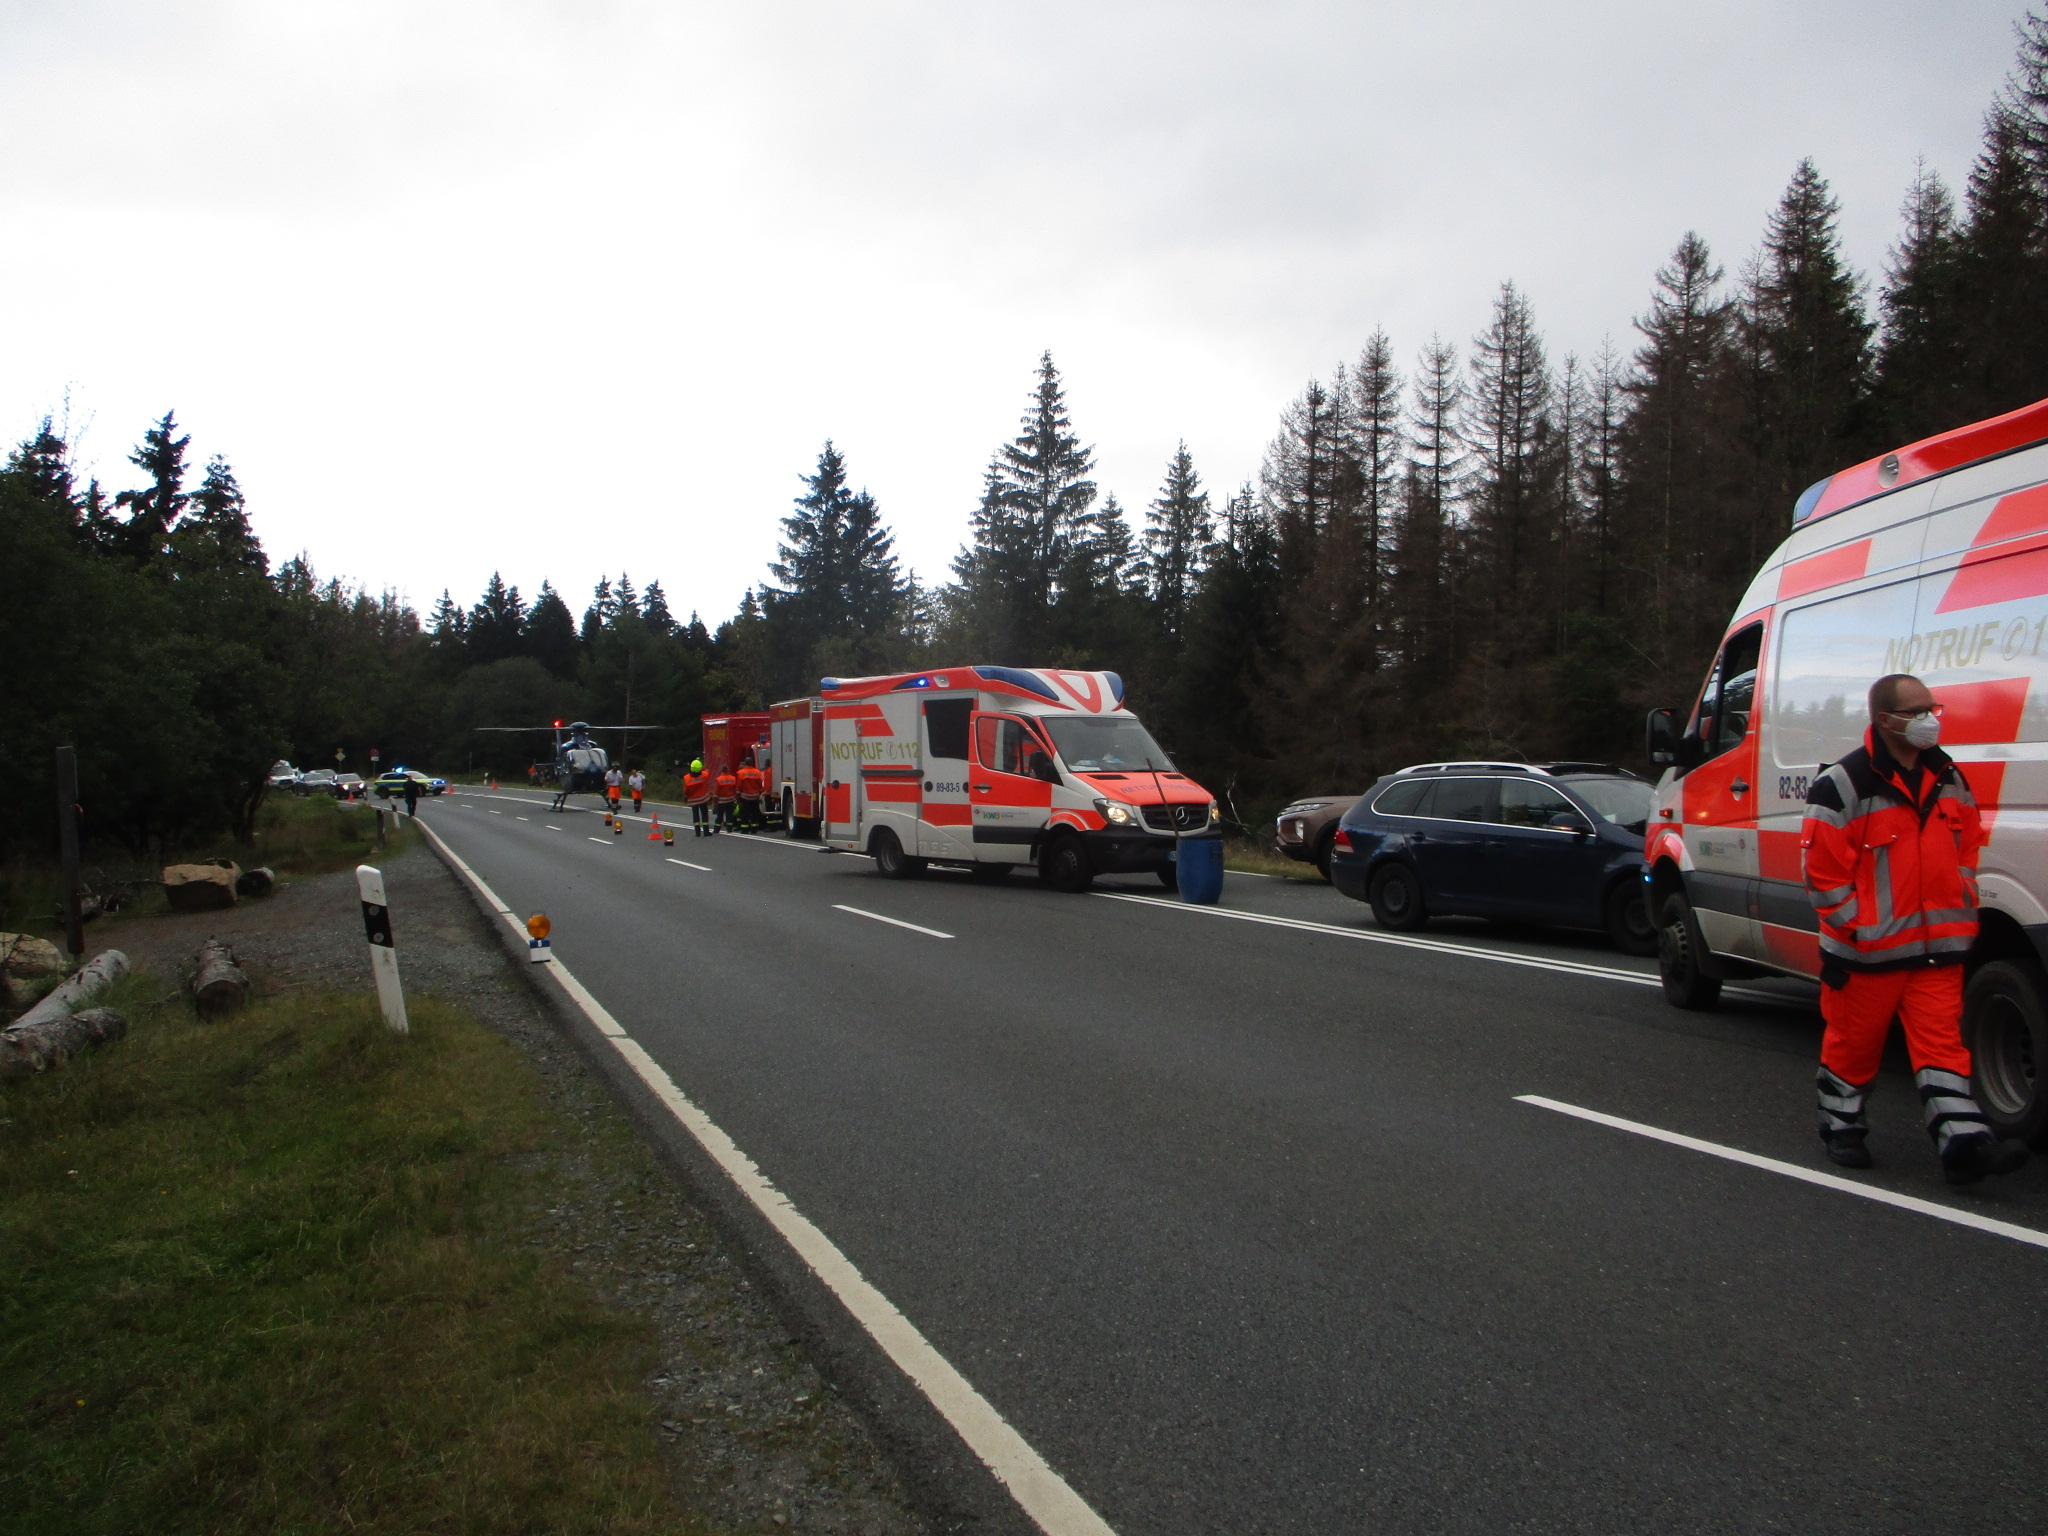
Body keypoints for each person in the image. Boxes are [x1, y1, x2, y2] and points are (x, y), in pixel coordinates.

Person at [1802, 672, 2030, 1185]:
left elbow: (1967, 842)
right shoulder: (1842, 785)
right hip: (1866, 957)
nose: (1931, 719)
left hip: (1938, 951)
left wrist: (1963, 892)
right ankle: (1842, 1126)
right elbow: (1823, 876)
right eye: (1918, 711)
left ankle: (1964, 1146)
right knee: (1854, 1046)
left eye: (1933, 707)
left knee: (1943, 1050)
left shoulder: (1949, 776)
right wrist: (1860, 929)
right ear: (1885, 721)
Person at [683, 759, 712, 836]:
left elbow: (685, 791)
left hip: (693, 801)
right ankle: (706, 832)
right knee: (704, 815)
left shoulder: (687, 778)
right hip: (703, 799)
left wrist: (685, 798)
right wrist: (703, 768)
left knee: (695, 816)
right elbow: (706, 771)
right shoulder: (705, 775)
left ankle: (697, 832)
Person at [736, 753, 764, 831]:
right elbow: (760, 785)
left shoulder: (740, 773)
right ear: (752, 763)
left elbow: (739, 787)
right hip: (755, 797)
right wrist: (759, 793)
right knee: (755, 813)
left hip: (745, 797)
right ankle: (754, 829)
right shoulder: (757, 772)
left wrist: (738, 798)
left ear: (745, 763)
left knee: (745, 814)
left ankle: (745, 829)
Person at [714, 764, 738, 831]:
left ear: (721, 770)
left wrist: (715, 802)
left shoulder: (719, 780)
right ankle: (729, 829)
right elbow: (735, 790)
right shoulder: (733, 779)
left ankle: (716, 829)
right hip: (730, 801)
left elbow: (716, 793)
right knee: (729, 816)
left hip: (721, 802)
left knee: (720, 816)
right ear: (728, 770)